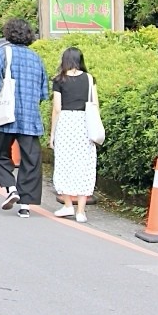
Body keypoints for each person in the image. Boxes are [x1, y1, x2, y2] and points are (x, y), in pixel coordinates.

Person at [0, 18, 49, 218]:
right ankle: (25, 204)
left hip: (6, 114)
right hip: (30, 117)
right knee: (31, 159)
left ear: (8, 33)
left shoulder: (3, 53)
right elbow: (44, 92)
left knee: (1, 153)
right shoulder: (36, 58)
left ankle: (10, 188)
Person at [51, 47, 100, 221]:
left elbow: (57, 108)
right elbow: (95, 104)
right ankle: (81, 211)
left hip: (66, 123)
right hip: (84, 124)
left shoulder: (59, 80)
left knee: (64, 164)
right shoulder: (89, 78)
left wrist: (52, 134)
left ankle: (67, 206)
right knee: (84, 165)